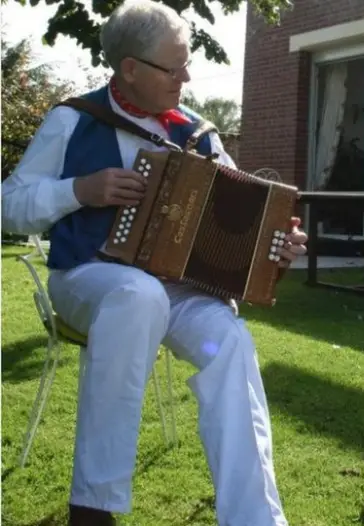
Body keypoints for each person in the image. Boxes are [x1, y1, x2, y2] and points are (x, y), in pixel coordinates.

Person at [1, 1, 307, 525]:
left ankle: (257, 519)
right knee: (136, 295)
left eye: (188, 64)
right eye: (175, 67)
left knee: (231, 341)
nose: (187, 76)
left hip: (179, 291)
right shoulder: (74, 119)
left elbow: (250, 217)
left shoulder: (198, 133)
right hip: (86, 279)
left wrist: (279, 245)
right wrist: (79, 190)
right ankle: (94, 509)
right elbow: (10, 207)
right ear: (130, 68)